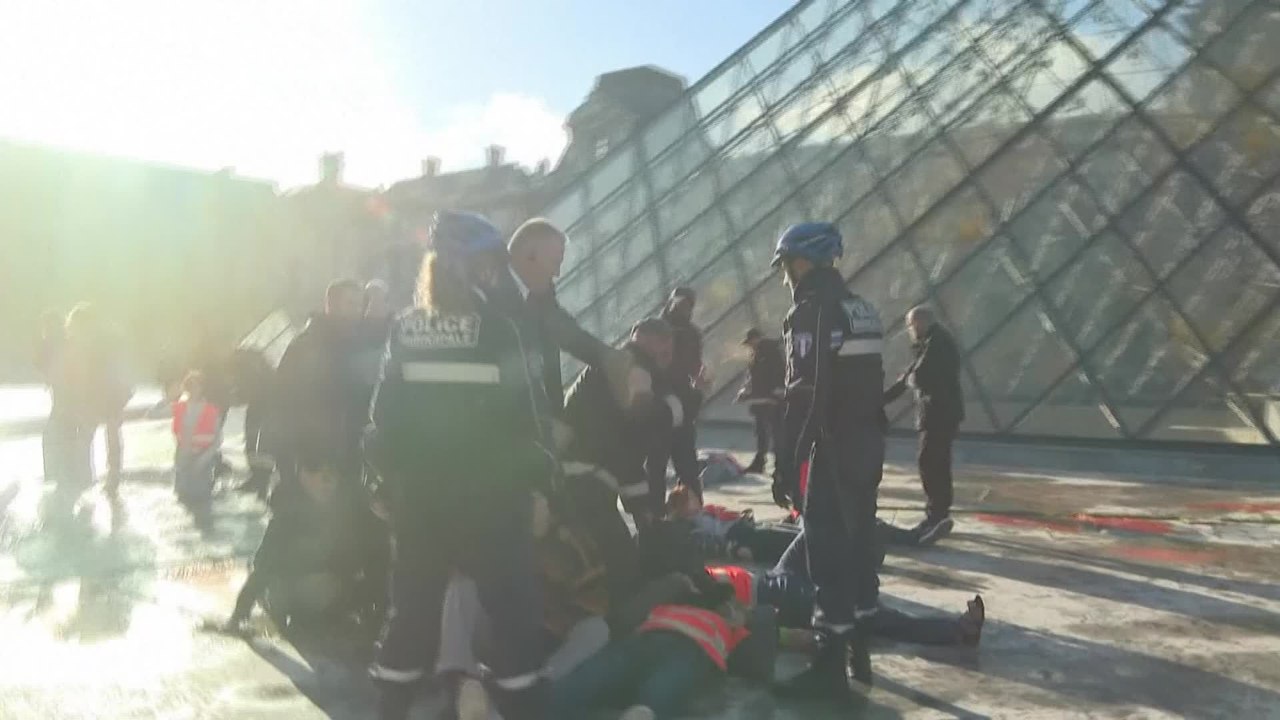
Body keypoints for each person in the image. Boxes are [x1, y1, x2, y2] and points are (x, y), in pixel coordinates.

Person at [365, 210, 552, 720]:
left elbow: (383, 422)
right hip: (493, 504)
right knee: (513, 618)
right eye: (489, 265)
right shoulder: (499, 331)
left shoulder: (405, 329)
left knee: (411, 617)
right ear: (474, 269)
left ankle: (390, 708)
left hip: (420, 504)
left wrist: (385, 483)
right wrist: (541, 485)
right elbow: (527, 423)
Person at [769, 222, 886, 700]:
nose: (785, 276)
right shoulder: (862, 309)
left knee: (826, 550)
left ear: (803, 262)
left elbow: (807, 394)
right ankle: (860, 652)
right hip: (868, 446)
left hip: (833, 448)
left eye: (786, 265)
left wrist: (787, 461)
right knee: (858, 544)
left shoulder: (811, 312)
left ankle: (829, 669)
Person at [560, 317, 680, 602]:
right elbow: (626, 450)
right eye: (665, 351)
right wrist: (642, 510)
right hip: (588, 477)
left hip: (576, 472)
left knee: (599, 551)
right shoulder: (637, 377)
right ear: (651, 342)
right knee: (619, 561)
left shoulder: (613, 369)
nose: (668, 359)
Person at [224, 444, 382, 631]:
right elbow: (263, 568)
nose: (326, 479)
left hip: (335, 590)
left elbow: (377, 563)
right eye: (316, 470)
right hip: (291, 592)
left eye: (332, 471)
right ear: (302, 476)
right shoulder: (288, 515)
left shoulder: (354, 511)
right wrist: (239, 616)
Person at [507, 217, 634, 415]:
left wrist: (612, 358)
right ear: (530, 255)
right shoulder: (495, 302)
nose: (557, 273)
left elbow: (568, 334)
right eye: (555, 262)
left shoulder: (540, 299)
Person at [269, 278, 366, 495]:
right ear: (331, 305)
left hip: (349, 464)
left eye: (360, 304)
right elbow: (283, 408)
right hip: (314, 467)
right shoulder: (306, 347)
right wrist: (302, 467)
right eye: (350, 304)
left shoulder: (357, 346)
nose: (357, 311)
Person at [884, 305, 965, 545]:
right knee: (936, 462)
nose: (910, 330)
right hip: (940, 413)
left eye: (911, 325)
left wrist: (910, 379)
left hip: (939, 414)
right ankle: (939, 513)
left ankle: (936, 515)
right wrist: (881, 400)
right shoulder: (931, 342)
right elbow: (908, 377)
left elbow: (918, 376)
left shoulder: (937, 343)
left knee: (930, 462)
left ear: (920, 322)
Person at [660, 287, 705, 500]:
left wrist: (699, 381)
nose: (683, 308)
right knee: (661, 462)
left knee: (683, 461)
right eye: (680, 303)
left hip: (678, 399)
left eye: (688, 304)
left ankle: (691, 505)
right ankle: (658, 510)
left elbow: (695, 366)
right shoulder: (659, 330)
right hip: (663, 399)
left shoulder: (690, 333)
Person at [171, 372, 222, 529]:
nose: (194, 390)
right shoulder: (179, 407)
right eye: (190, 386)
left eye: (197, 386)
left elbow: (217, 439)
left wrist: (204, 458)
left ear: (202, 388)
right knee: (184, 497)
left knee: (202, 499)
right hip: (183, 457)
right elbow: (177, 433)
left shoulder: (211, 410)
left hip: (203, 456)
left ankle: (207, 528)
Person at [735, 328, 786, 475]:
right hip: (761, 399)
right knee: (762, 433)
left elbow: (778, 373)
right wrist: (746, 391)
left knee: (776, 434)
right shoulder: (757, 354)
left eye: (751, 342)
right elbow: (752, 377)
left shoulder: (771, 352)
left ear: (756, 339)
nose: (750, 346)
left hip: (771, 400)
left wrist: (777, 391)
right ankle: (761, 462)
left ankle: (779, 466)